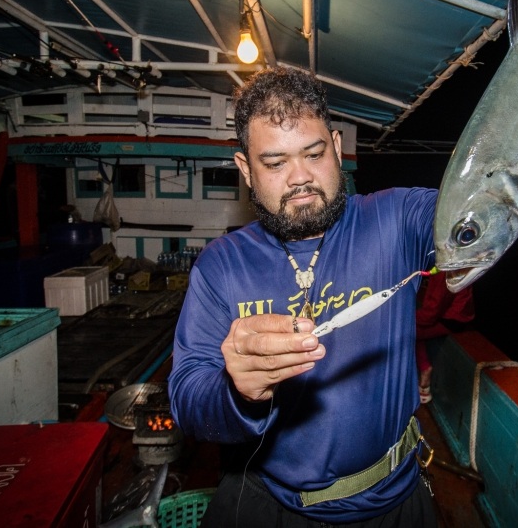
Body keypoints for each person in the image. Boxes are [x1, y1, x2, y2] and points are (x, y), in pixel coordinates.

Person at [168, 66, 439, 527]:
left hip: (392, 504)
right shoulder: (221, 265)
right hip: (269, 504)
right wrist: (239, 391)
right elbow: (188, 402)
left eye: (313, 154)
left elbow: (492, 212)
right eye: (274, 163)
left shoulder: (397, 218)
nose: (299, 178)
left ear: (336, 147)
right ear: (246, 170)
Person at [414, 270, 475, 404]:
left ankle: (424, 372)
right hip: (460, 315)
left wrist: (407, 318)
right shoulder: (456, 262)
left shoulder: (443, 271)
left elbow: (431, 313)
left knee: (409, 331)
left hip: (453, 319)